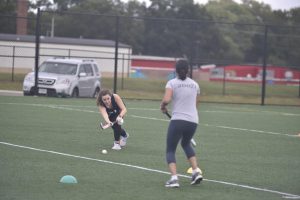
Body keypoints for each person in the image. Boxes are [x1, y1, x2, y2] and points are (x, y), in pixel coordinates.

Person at [160, 59, 203, 188]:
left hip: (178, 120)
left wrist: (162, 106)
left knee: (170, 150)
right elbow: (195, 105)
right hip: (193, 121)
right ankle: (196, 171)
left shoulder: (171, 83)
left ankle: (174, 178)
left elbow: (167, 99)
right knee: (185, 143)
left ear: (176, 71)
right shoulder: (195, 85)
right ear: (188, 70)